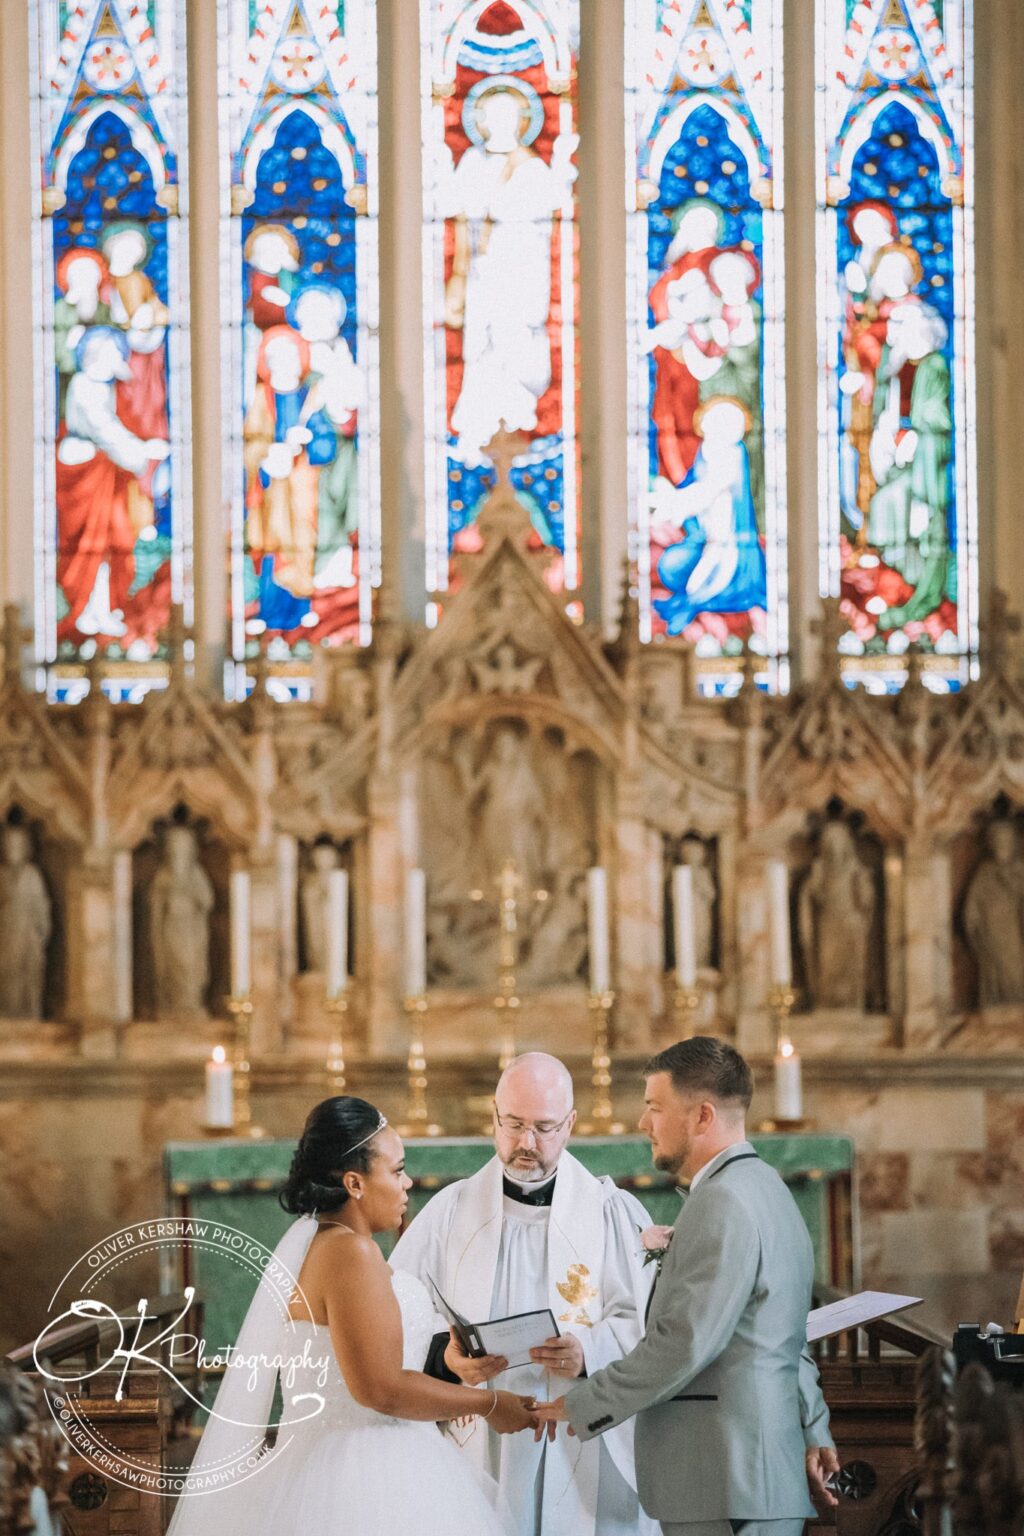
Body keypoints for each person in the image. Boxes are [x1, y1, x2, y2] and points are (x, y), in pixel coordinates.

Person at [167, 1096, 535, 1536]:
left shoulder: (327, 1243)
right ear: (355, 1183)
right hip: (364, 1473)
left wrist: (451, 1362)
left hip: (340, 1457)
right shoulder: (350, 1252)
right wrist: (490, 1403)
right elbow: (380, 1389)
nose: (408, 1183)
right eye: (397, 1171)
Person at [533, 1036, 839, 1536]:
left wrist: (584, 1401)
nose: (643, 1124)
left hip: (721, 1476)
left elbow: (685, 1342)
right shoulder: (769, 1189)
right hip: (756, 1474)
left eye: (655, 1107)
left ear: (701, 1116)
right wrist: (813, 1423)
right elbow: (788, 1338)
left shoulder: (721, 1202)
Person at [391, 1052, 661, 1536]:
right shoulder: (449, 1213)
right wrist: (448, 1360)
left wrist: (586, 1352)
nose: (525, 1143)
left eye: (544, 1127)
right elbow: (399, 1312)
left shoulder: (610, 1214)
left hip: (579, 1434)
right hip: (477, 1434)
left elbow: (644, 1321)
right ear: (494, 1116)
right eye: (512, 1124)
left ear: (571, 1123)